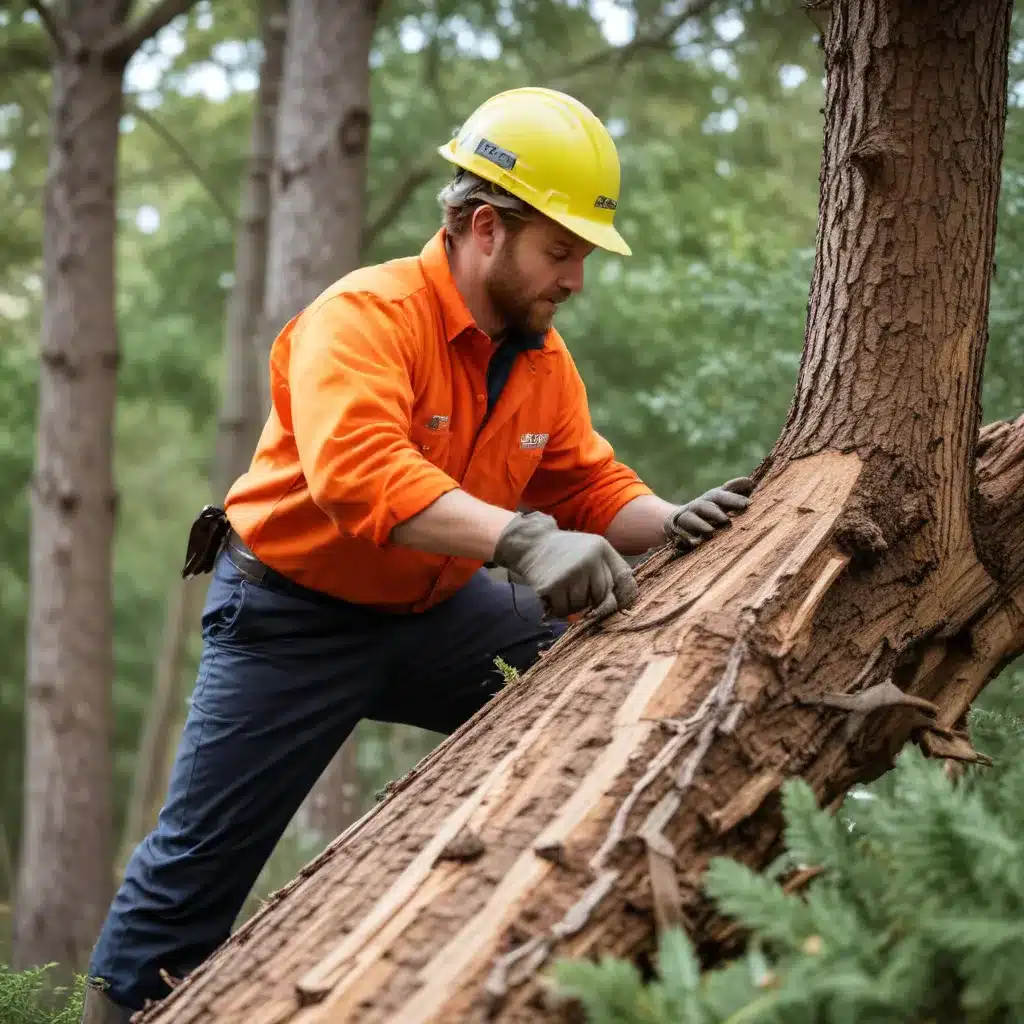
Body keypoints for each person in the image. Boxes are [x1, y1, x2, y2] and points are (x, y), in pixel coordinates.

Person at [81, 86, 752, 1023]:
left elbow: (586, 485)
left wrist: (670, 517)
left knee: (607, 684)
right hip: (288, 619)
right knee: (194, 870)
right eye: (561, 252)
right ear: (486, 227)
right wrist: (522, 542)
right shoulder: (363, 317)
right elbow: (359, 473)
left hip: (438, 616)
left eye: (584, 256)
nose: (577, 280)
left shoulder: (541, 360)